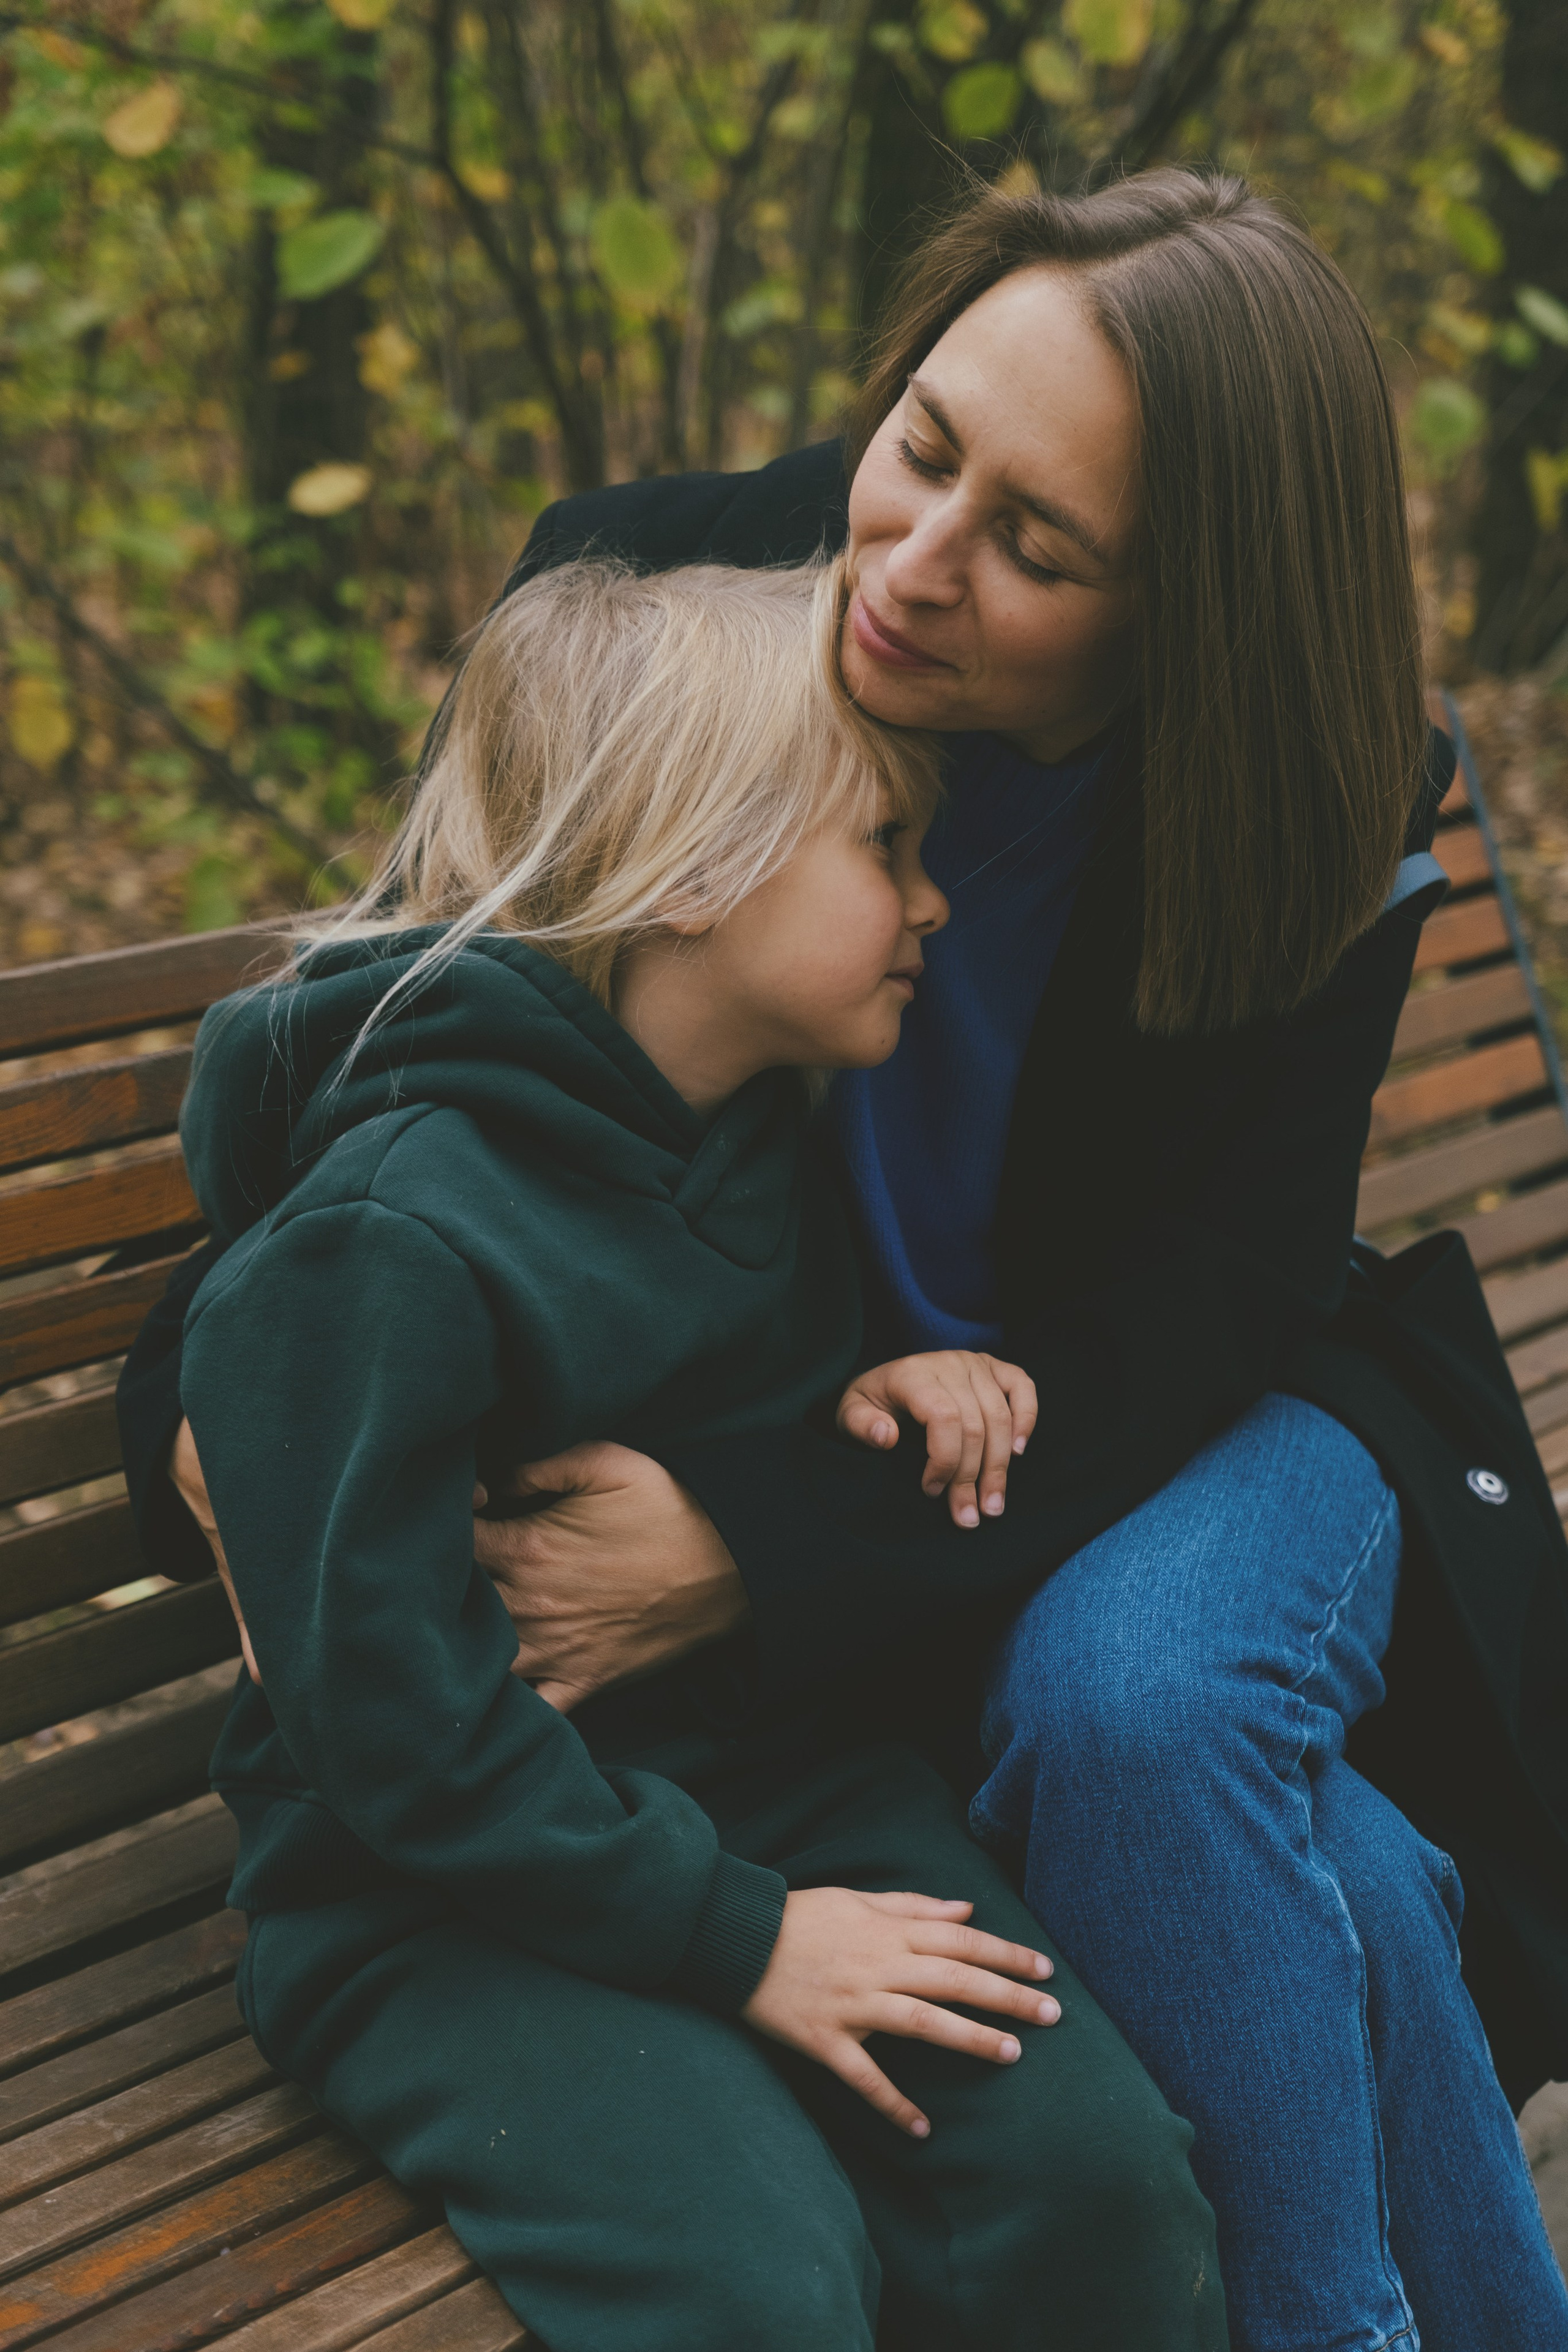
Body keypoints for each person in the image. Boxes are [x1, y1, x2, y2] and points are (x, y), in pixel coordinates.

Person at [120, 168, 1568, 2347]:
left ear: (1192, 612)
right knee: (1328, 1869)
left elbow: (1209, 1306)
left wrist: (762, 1542)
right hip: (765, 1613)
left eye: (1039, 548)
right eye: (923, 440)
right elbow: (406, 1106)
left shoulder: (1310, 779)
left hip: (1138, 1443)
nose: (909, 561)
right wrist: (207, 1427)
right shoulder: (659, 613)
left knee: (1147, 1712)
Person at [173, 554, 1226, 2352]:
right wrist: (742, 1939)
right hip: (433, 1892)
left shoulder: (754, 1125)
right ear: (690, 880)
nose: (935, 903)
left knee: (1099, 2191)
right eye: (885, 847)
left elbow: (715, 1397)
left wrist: (889, 1394)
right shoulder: (387, 1244)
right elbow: (394, 1739)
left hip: (765, 1798)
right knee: (750, 2276)